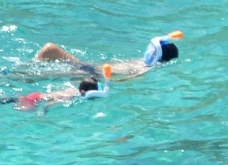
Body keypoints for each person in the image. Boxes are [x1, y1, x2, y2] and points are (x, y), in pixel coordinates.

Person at [15, 31, 181, 110]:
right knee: (50, 60)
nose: (149, 51)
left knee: (50, 52)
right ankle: (27, 84)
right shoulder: (143, 65)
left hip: (91, 70)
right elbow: (120, 79)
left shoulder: (143, 66)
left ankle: (22, 78)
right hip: (91, 71)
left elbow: (118, 79)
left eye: (152, 50)